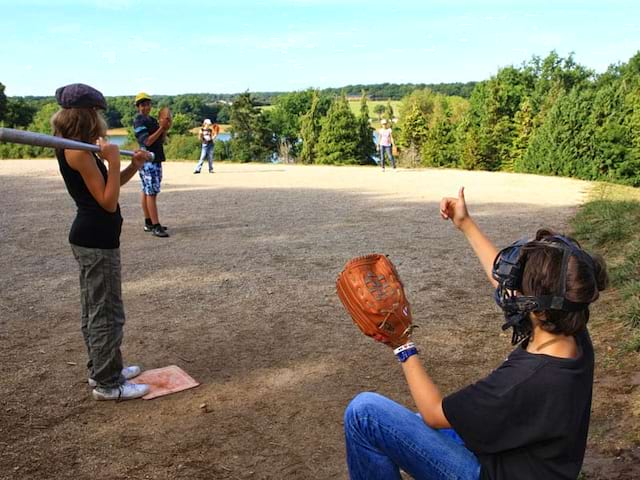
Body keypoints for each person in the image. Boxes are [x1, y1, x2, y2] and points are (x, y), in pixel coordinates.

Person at [343, 186, 609, 480]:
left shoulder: (523, 380)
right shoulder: (571, 325)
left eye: (518, 280)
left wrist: (401, 342)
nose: (509, 284)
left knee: (364, 414)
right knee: (407, 423)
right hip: (528, 459)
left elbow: (434, 411)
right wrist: (465, 223)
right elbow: (511, 289)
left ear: (536, 307)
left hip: (490, 473)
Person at [52, 83, 151, 401]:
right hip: (96, 240)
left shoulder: (80, 146)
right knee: (106, 312)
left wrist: (131, 166)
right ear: (86, 114)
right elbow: (108, 202)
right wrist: (110, 160)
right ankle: (108, 383)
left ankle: (105, 368)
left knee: (99, 309)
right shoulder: (78, 151)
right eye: (96, 112)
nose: (100, 118)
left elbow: (111, 186)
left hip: (96, 237)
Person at [133, 92, 170, 238]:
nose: (145, 107)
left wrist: (165, 127)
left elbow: (161, 139)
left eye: (147, 104)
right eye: (142, 104)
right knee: (151, 193)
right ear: (138, 107)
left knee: (146, 190)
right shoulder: (139, 121)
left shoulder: (152, 120)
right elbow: (146, 141)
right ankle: (156, 225)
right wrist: (161, 128)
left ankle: (149, 222)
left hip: (154, 159)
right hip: (149, 160)